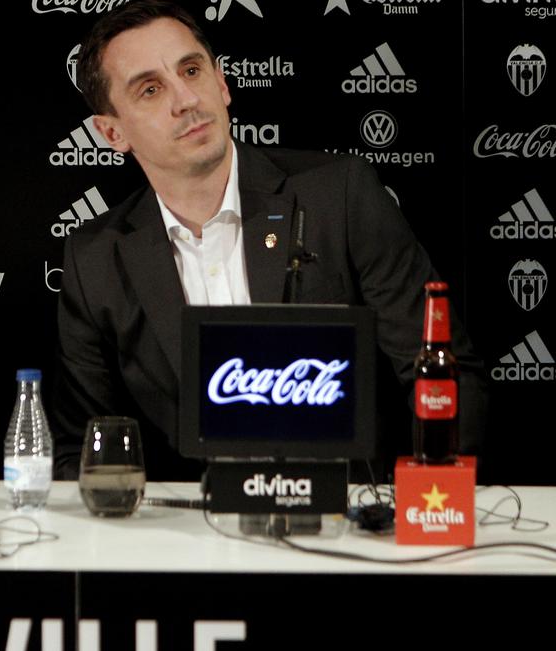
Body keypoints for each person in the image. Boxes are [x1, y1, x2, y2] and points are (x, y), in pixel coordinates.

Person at [53, 0, 487, 480]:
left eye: (192, 70)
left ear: (221, 83)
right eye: (151, 89)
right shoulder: (94, 259)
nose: (185, 100)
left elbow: (444, 379)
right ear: (112, 132)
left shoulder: (339, 196)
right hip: (192, 534)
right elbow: (83, 450)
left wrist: (420, 511)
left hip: (349, 527)